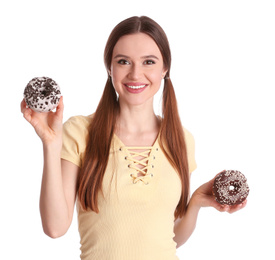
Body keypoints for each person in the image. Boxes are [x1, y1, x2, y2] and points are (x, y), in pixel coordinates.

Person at [21, 16, 246, 260]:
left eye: (148, 62)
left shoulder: (181, 139)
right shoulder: (80, 131)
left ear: (165, 68)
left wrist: (196, 203)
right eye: (123, 61)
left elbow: (171, 237)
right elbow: (55, 228)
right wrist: (51, 145)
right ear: (110, 68)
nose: (135, 74)